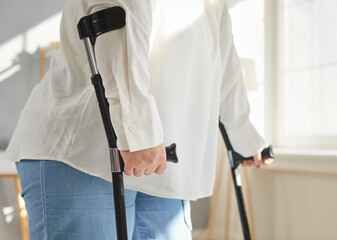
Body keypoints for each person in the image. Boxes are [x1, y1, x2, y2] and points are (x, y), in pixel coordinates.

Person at [4, 0, 273, 239]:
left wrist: (243, 135)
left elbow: (224, 63)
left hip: (160, 161)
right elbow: (117, 23)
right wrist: (137, 130)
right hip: (84, 150)